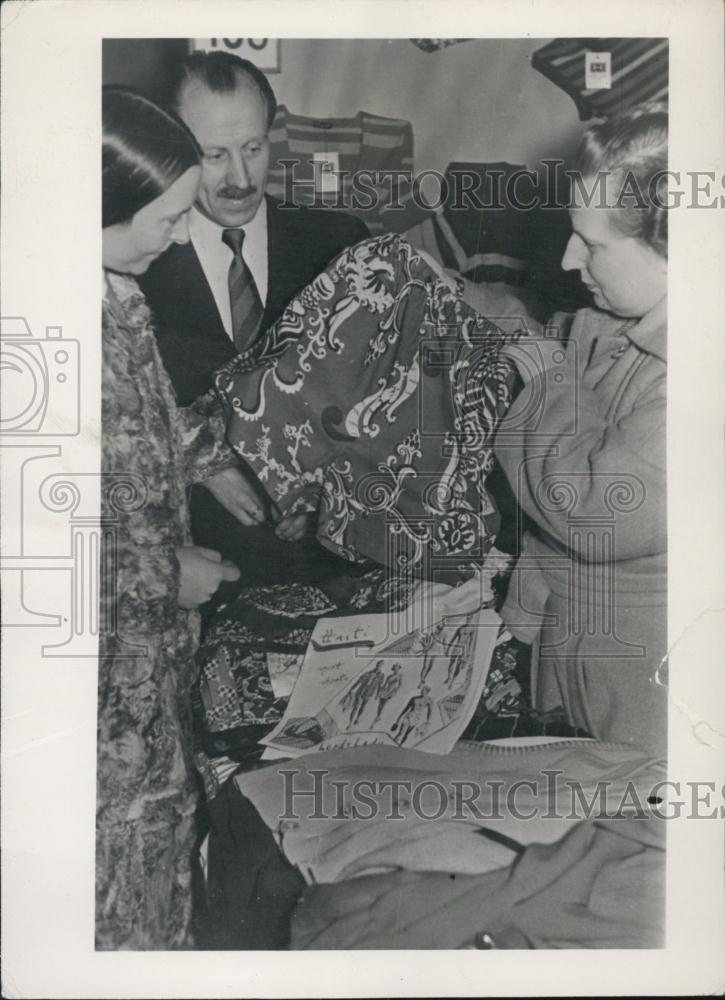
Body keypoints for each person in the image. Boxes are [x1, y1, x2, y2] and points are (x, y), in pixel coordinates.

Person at [98, 86, 259, 950]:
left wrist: (211, 457)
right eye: (166, 215)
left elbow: (143, 422)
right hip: (97, 709)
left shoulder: (116, 295)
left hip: (149, 683)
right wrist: (171, 577)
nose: (179, 231)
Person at [138, 51, 370, 587]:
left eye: (253, 148)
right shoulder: (136, 265)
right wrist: (205, 464)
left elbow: (392, 396)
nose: (240, 179)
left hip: (332, 563)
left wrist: (334, 490)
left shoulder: (342, 243)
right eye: (214, 156)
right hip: (195, 570)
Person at [494, 103, 668, 752]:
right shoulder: (610, 322)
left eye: (593, 244)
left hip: (648, 691)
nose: (569, 260)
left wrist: (545, 381)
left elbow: (590, 509)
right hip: (578, 656)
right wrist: (527, 608)